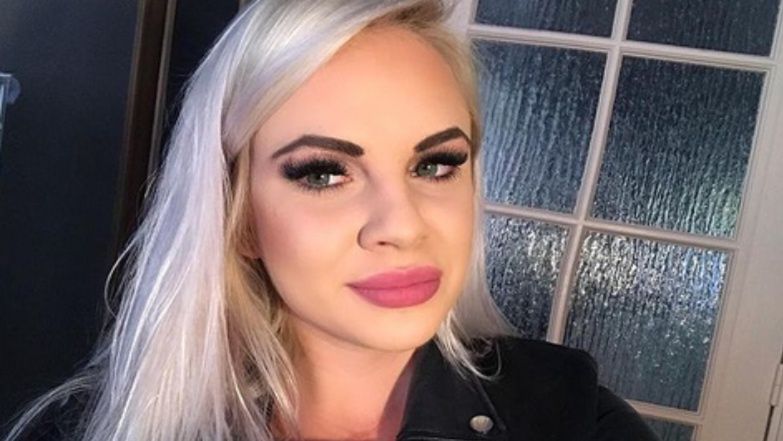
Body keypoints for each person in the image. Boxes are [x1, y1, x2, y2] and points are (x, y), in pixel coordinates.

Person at [3, 1, 660, 440]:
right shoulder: (92, 428)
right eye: (323, 173)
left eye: (435, 164)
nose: (401, 225)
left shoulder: (572, 420)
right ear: (239, 218)